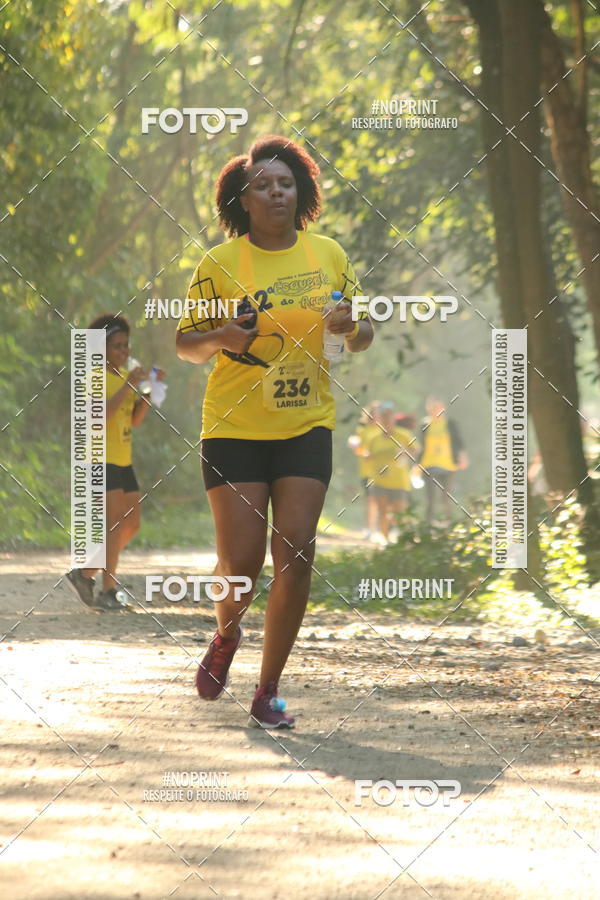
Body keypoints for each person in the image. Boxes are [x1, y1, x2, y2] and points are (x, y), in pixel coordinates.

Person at [176, 135, 373, 729]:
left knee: (295, 550)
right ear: (244, 199)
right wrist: (221, 338)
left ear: (301, 191)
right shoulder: (219, 263)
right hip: (234, 428)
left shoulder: (328, 255)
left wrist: (349, 325)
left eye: (285, 182)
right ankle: (226, 634)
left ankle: (268, 690)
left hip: (305, 423)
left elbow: (360, 336)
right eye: (262, 185)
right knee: (240, 564)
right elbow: (185, 345)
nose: (276, 192)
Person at [66, 314, 163, 611]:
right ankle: (109, 591)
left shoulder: (125, 377)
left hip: (122, 459)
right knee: (113, 524)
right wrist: (128, 385)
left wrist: (148, 392)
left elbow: (133, 421)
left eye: (126, 346)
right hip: (98, 458)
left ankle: (84, 573)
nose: (124, 352)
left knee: (131, 524)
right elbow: (99, 416)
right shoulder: (92, 377)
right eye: (117, 346)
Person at [363, 402, 419, 543]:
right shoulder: (374, 438)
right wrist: (366, 456)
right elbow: (368, 454)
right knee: (382, 512)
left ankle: (403, 540)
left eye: (390, 416)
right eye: (384, 416)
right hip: (379, 480)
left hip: (399, 481)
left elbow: (416, 450)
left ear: (394, 418)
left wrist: (405, 453)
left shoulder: (404, 435)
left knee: (400, 514)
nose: (387, 419)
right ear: (380, 419)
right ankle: (386, 541)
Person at [420, 396, 468, 525]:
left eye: (438, 407)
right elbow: (422, 446)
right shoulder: (425, 424)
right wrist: (417, 465)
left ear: (443, 408)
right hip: (429, 465)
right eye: (433, 408)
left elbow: (459, 442)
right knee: (430, 498)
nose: (436, 410)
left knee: (446, 497)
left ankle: (449, 524)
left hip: (448, 465)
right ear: (428, 409)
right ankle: (428, 525)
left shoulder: (450, 424)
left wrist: (463, 458)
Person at [348, 401, 381, 537]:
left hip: (382, 472)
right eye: (372, 414)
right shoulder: (362, 431)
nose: (374, 417)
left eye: (377, 414)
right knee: (370, 500)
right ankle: (369, 528)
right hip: (367, 471)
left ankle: (384, 528)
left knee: (382, 500)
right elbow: (357, 447)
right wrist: (362, 452)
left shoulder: (383, 430)